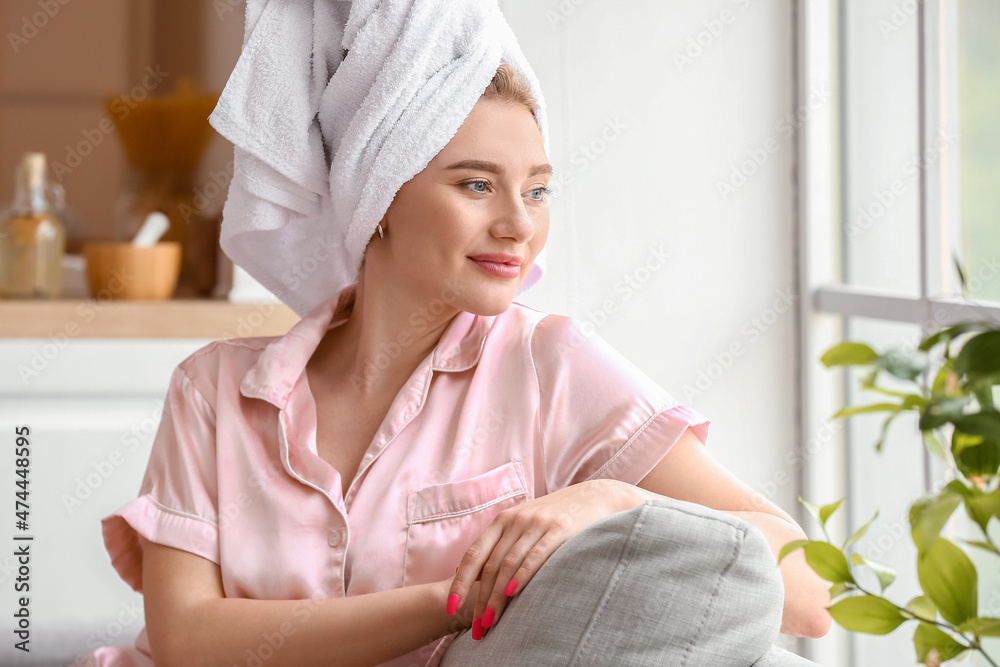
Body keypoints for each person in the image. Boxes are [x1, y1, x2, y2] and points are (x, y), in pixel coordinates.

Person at [75, 61, 830, 667]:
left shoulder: (549, 363)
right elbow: (188, 640)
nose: (519, 224)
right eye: (477, 183)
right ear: (376, 196)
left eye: (537, 190)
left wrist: (612, 503)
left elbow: (811, 591)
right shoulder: (214, 388)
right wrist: (465, 598)